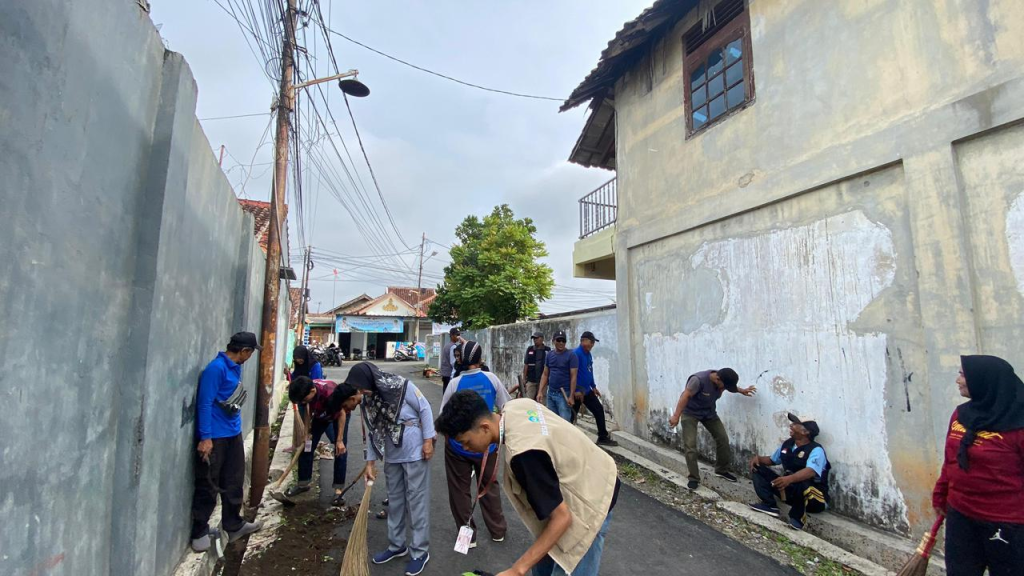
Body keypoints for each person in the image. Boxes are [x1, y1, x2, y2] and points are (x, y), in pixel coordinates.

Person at [436, 392, 620, 576]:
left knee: (571, 558)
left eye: (466, 442)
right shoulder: (516, 406)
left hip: (594, 499)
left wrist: (517, 569)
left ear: (484, 427)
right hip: (590, 470)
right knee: (542, 564)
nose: (465, 448)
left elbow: (562, 518)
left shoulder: (524, 454)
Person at [932, 355, 1024, 576]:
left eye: (963, 375)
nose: (958, 380)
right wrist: (941, 493)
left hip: (1008, 523)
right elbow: (951, 459)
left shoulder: (1018, 424)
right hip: (961, 514)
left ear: (985, 380)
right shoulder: (960, 415)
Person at [346, 362, 436, 576]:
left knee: (416, 501)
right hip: (392, 454)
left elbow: (424, 408)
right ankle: (397, 545)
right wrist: (370, 463)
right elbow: (373, 431)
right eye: (358, 389)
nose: (361, 391)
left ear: (370, 379)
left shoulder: (400, 385)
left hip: (414, 450)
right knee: (395, 501)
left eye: (361, 386)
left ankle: (419, 552)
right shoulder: (368, 400)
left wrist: (428, 441)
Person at [190, 332, 264, 552]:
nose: (250, 356)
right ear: (244, 351)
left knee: (234, 480)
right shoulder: (216, 369)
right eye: (251, 352)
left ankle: (233, 525)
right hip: (216, 436)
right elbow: (204, 403)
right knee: (209, 483)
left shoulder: (235, 368)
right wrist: (205, 437)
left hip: (233, 433)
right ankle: (199, 531)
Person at [439, 341, 511, 547]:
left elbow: (444, 415)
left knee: (459, 490)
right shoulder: (491, 379)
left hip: (459, 446)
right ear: (480, 359)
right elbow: (506, 407)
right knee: (488, 486)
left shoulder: (455, 383)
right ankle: (498, 531)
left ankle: (467, 538)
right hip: (487, 446)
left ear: (461, 359)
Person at [668, 368, 756, 489]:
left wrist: (742, 391)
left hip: (709, 413)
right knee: (690, 445)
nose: (723, 389)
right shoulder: (698, 380)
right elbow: (685, 396)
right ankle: (693, 478)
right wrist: (676, 416)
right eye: (723, 387)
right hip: (690, 413)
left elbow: (731, 387)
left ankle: (721, 469)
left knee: (723, 439)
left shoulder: (723, 379)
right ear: (718, 379)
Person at [284, 377, 362, 506]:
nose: (303, 401)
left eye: (304, 399)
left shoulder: (330, 393)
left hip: (338, 415)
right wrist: (306, 432)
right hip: (320, 416)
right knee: (307, 446)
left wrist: (339, 440)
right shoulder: (307, 392)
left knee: (340, 450)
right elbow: (308, 409)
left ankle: (338, 490)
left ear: (312, 391)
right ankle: (303, 483)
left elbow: (342, 413)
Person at [748, 413, 831, 531]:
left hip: (814, 499)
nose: (791, 426)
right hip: (790, 492)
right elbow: (773, 460)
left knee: (803, 483)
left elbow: (811, 471)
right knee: (758, 468)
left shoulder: (816, 450)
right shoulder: (788, 444)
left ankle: (797, 519)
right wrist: (759, 459)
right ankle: (769, 505)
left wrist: (789, 479)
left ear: (806, 432)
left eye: (796, 424)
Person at [572, 332, 618, 447]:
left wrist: (593, 386)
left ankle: (602, 437)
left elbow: (589, 371)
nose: (592, 344)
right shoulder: (576, 354)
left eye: (593, 342)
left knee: (598, 409)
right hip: (577, 392)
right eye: (591, 342)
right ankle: (568, 439)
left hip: (587, 391)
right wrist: (576, 390)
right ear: (583, 341)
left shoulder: (588, 354)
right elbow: (571, 374)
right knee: (572, 415)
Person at [536, 330, 578, 422]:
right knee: (552, 422)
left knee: (564, 423)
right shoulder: (550, 355)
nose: (561, 343)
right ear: (553, 341)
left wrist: (571, 396)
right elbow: (545, 374)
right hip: (551, 393)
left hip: (564, 394)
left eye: (563, 340)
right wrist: (540, 391)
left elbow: (574, 377)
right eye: (558, 340)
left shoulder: (571, 355)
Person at [516, 332, 549, 401]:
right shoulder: (530, 349)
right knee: (529, 400)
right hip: (531, 380)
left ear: (542, 339)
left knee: (541, 400)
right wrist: (524, 379)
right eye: (534, 338)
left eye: (537, 338)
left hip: (542, 381)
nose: (535, 340)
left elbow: (549, 366)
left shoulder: (547, 350)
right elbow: (526, 364)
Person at [441, 328, 460, 392]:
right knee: (450, 393)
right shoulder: (453, 347)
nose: (458, 337)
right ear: (452, 336)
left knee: (446, 392)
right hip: (450, 374)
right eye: (457, 335)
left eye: (459, 335)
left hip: (445, 373)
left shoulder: (447, 345)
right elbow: (453, 363)